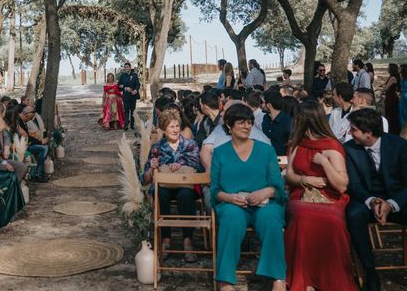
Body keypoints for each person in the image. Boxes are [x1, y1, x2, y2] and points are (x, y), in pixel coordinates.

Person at [210, 104, 286, 291]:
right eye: (241, 122)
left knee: (271, 220)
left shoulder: (266, 150)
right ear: (229, 125)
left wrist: (265, 192)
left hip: (264, 202)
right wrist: (228, 198)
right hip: (233, 204)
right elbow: (214, 190)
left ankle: (278, 277)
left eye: (250, 122)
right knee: (231, 220)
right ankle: (225, 280)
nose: (247, 126)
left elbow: (279, 187)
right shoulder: (220, 153)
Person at [284, 100, 358, 291]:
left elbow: (342, 185)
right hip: (302, 194)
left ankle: (328, 275)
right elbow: (289, 175)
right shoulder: (296, 144)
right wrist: (305, 180)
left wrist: (325, 163)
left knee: (331, 219)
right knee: (301, 215)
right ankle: (304, 276)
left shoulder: (331, 145)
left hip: (330, 196)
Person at [344, 108, 407, 291]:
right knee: (353, 215)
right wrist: (372, 201)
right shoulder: (349, 149)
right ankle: (370, 273)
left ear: (368, 133)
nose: (349, 132)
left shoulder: (400, 146)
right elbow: (353, 184)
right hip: (366, 200)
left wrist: (392, 204)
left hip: (398, 201)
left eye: (353, 129)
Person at [141, 108, 200, 262]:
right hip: (165, 186)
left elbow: (197, 165)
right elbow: (145, 179)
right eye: (171, 127)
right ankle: (166, 239)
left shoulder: (190, 144)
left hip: (185, 185)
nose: (175, 130)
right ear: (163, 129)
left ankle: (188, 240)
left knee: (186, 195)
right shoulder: (157, 148)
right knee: (159, 192)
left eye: (176, 126)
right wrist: (152, 167)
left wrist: (179, 164)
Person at [261, 89, 293, 156]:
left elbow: (292, 144)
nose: (261, 105)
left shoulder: (287, 121)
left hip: (282, 159)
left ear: (269, 105)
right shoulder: (266, 118)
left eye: (263, 102)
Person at [117, 62, 140, 130]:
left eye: (127, 67)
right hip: (126, 95)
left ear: (130, 67)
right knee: (126, 110)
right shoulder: (122, 76)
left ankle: (132, 125)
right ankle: (126, 125)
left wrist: (135, 90)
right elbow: (119, 85)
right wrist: (125, 88)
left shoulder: (134, 75)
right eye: (125, 67)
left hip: (133, 95)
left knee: (133, 110)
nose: (126, 68)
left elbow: (138, 84)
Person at [382, 63, 401, 135]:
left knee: (390, 114)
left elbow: (386, 88)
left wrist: (384, 87)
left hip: (391, 97)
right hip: (391, 96)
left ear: (391, 69)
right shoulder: (393, 77)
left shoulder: (392, 78)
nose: (387, 68)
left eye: (388, 67)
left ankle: (391, 131)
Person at [400, 64, 407, 133]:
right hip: (404, 95)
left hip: (404, 97)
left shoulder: (402, 78)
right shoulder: (402, 77)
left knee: (402, 113)